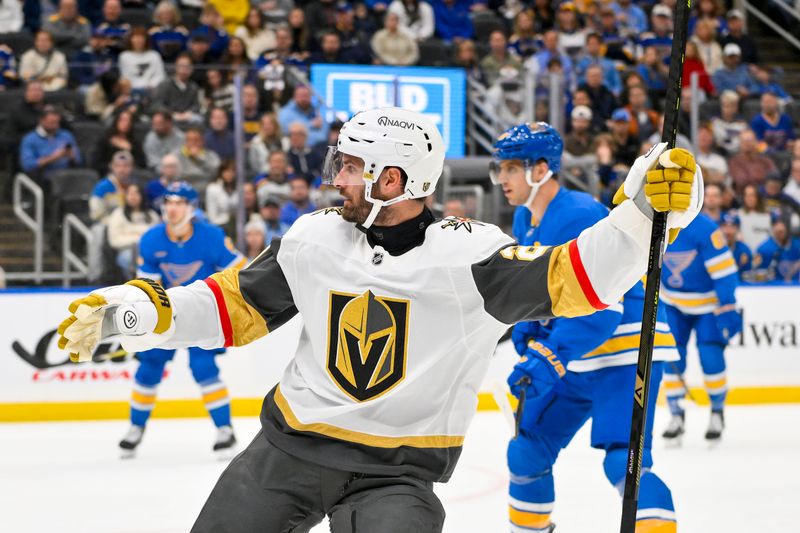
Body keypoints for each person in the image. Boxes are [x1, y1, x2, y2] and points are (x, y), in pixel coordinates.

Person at [57, 107, 701, 533]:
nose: (336, 177)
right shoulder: (312, 238)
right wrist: (135, 314)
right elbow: (231, 307)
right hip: (286, 451)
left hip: (398, 474)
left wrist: (647, 215)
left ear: (392, 180)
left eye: (351, 166)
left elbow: (580, 277)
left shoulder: (471, 255)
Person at [491, 122, 679, 533]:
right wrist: (529, 332)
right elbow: (541, 291)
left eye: (509, 168)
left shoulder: (579, 213)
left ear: (540, 170)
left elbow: (603, 308)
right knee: (527, 450)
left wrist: (548, 356)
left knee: (623, 461)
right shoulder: (526, 219)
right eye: (498, 168)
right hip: (578, 354)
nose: (500, 178)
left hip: (624, 348)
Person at [114, 182, 246, 457]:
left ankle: (225, 430)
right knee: (149, 368)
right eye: (168, 202)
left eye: (179, 203)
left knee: (203, 367)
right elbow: (148, 287)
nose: (171, 209)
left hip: (203, 314)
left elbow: (240, 271)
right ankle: (135, 428)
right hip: (166, 314)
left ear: (192, 208)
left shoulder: (211, 236)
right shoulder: (151, 239)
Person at [661, 205, 742, 443]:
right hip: (672, 303)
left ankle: (717, 412)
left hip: (709, 306)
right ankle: (676, 414)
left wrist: (727, 305)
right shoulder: (656, 223)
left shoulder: (705, 228)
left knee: (710, 357)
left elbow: (724, 272)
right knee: (672, 359)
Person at [106, 183, 159, 277]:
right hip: (127, 251)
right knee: (127, 257)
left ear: (142, 196)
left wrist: (131, 234)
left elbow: (157, 238)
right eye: (130, 193)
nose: (133, 196)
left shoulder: (152, 215)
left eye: (136, 193)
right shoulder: (118, 214)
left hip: (148, 251)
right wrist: (138, 239)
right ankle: (133, 283)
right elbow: (114, 240)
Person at [19, 105, 82, 184]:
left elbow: (79, 160)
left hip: (68, 175)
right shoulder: (30, 139)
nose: (55, 126)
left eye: (57, 122)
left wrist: (72, 157)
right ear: (41, 120)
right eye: (51, 123)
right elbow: (28, 166)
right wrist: (53, 157)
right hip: (42, 178)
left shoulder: (66, 135)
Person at [729, 129, 778, 195]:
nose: (748, 144)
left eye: (750, 141)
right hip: (747, 197)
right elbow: (742, 182)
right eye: (744, 141)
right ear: (740, 144)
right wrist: (764, 178)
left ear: (756, 142)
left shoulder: (765, 160)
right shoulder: (735, 162)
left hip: (769, 195)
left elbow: (775, 177)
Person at [118, 26, 166, 93]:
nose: (139, 40)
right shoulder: (124, 56)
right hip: (132, 90)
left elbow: (160, 75)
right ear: (130, 39)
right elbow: (125, 76)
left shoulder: (154, 55)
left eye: (141, 38)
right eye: (136, 37)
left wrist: (151, 85)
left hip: (152, 90)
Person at [754, 217, 800, 282]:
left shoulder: (797, 245)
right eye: (777, 225)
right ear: (772, 227)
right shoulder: (764, 249)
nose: (781, 228)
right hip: (773, 289)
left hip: (796, 288)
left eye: (783, 224)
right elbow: (758, 275)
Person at [719, 212, 753, 276]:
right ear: (719, 228)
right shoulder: (712, 249)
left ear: (738, 229)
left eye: (732, 226)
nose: (728, 231)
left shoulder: (744, 250)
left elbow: (747, 275)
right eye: (724, 226)